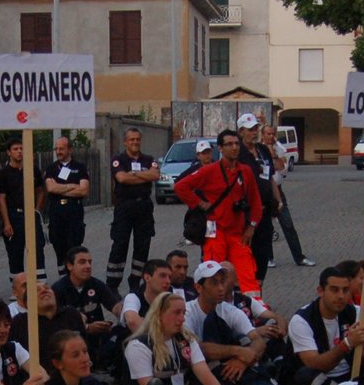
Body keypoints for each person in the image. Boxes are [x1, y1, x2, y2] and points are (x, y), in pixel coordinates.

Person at [118, 292, 234, 385]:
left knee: (216, 370)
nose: (182, 319)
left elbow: (202, 370)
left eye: (184, 313)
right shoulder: (139, 345)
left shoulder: (185, 339)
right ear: (159, 314)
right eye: (176, 313)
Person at [172, 128, 264, 298]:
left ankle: (256, 311)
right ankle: (211, 311)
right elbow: (180, 187)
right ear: (220, 148)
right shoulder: (210, 170)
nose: (234, 147)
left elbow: (256, 203)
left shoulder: (245, 171)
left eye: (236, 143)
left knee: (247, 276)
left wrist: (252, 226)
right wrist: (199, 203)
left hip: (238, 233)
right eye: (229, 144)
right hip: (216, 233)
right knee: (212, 275)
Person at [105, 127, 160, 293]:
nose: (135, 142)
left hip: (144, 207)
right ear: (125, 142)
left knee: (142, 245)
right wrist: (143, 175)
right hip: (124, 207)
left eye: (137, 139)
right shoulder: (118, 159)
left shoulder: (148, 159)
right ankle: (112, 283)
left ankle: (136, 281)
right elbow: (121, 178)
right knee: (120, 244)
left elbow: (155, 175)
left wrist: (132, 175)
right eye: (131, 139)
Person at [51, 246, 121, 362]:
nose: (88, 266)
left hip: (98, 339)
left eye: (90, 262)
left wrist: (126, 312)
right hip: (72, 342)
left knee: (124, 334)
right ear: (69, 266)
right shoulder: (58, 290)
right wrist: (87, 328)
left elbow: (114, 306)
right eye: (82, 262)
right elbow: (57, 325)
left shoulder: (97, 285)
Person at [261, 121, 314, 268]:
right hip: (263, 191)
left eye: (273, 134)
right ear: (262, 135)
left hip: (278, 189)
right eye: (268, 134)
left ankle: (299, 257)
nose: (271, 136)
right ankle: (268, 258)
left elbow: (283, 170)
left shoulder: (279, 149)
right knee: (266, 227)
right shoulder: (258, 150)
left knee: (288, 224)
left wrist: (274, 156)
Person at [0, 135, 48, 281]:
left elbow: (41, 191)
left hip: (31, 214)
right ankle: (17, 287)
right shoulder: (3, 173)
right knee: (15, 252)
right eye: (15, 149)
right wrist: (6, 222)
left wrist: (37, 210)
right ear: (9, 152)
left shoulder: (33, 170)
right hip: (14, 216)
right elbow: (1, 198)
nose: (19, 151)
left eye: (22, 148)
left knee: (37, 249)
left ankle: (40, 284)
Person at [43, 134, 90, 277]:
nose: (58, 151)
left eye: (62, 148)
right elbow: (51, 188)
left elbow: (83, 190)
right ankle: (63, 278)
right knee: (59, 245)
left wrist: (61, 188)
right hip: (57, 212)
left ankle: (75, 277)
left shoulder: (80, 167)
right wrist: (71, 186)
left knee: (74, 246)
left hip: (74, 212)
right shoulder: (51, 168)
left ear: (70, 149)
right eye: (56, 149)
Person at [240, 115, 279, 278]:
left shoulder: (263, 150)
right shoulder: (238, 152)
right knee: (247, 254)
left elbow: (270, 177)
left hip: (265, 211)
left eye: (256, 129)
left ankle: (259, 294)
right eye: (250, 130)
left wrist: (279, 200)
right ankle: (247, 296)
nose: (254, 133)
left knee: (263, 254)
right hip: (247, 214)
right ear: (241, 131)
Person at [120, 258, 176, 334]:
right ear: (147, 277)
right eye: (162, 276)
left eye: (169, 277)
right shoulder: (133, 297)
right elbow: (132, 321)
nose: (168, 281)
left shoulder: (172, 299)